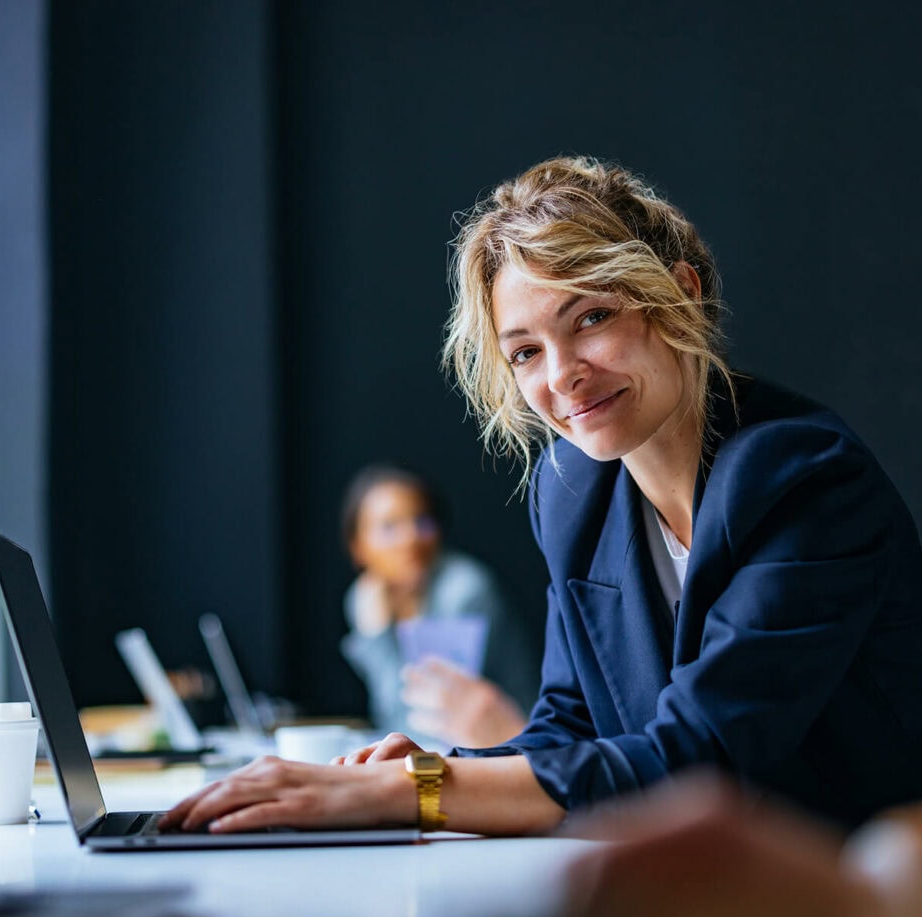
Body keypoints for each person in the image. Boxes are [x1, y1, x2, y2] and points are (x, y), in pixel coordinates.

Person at [161, 155, 922, 839]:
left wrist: (414, 793)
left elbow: (702, 757)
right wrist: (433, 765)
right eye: (526, 351)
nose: (561, 376)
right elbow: (568, 731)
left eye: (591, 318)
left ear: (678, 295)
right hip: (699, 897)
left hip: (862, 906)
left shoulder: (803, 478)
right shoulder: (575, 492)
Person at [338, 463, 538, 748]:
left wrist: (378, 638)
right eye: (389, 527)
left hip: (512, 748)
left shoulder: (465, 591)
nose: (410, 538)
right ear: (358, 548)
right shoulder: (366, 597)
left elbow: (428, 724)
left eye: (422, 522)